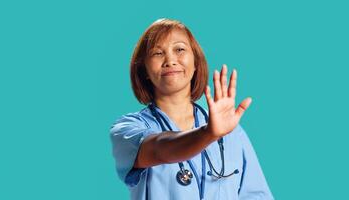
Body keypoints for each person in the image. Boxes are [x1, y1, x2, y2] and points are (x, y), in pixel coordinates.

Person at [110, 18, 274, 200]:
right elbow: (158, 149)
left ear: (196, 62)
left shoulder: (232, 133)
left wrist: (214, 132)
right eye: (157, 53)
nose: (170, 60)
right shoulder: (127, 130)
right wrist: (208, 134)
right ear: (144, 70)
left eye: (179, 49)